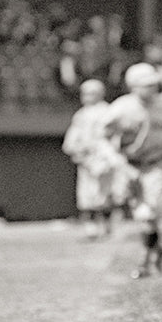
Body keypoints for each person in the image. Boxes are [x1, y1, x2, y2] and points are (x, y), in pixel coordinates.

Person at [104, 61, 162, 278]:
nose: (151, 89)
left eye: (153, 84)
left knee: (149, 211)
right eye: (145, 85)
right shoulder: (121, 108)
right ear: (133, 86)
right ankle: (157, 250)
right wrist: (116, 161)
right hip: (131, 165)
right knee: (142, 215)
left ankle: (144, 262)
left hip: (160, 163)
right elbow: (102, 137)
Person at [61, 78, 122, 239]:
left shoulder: (109, 112)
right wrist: (78, 152)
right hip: (86, 159)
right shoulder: (81, 114)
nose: (87, 96)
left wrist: (109, 157)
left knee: (104, 194)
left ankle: (108, 227)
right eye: (85, 93)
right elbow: (71, 141)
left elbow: (115, 138)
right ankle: (91, 228)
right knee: (86, 195)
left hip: (103, 158)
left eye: (91, 93)